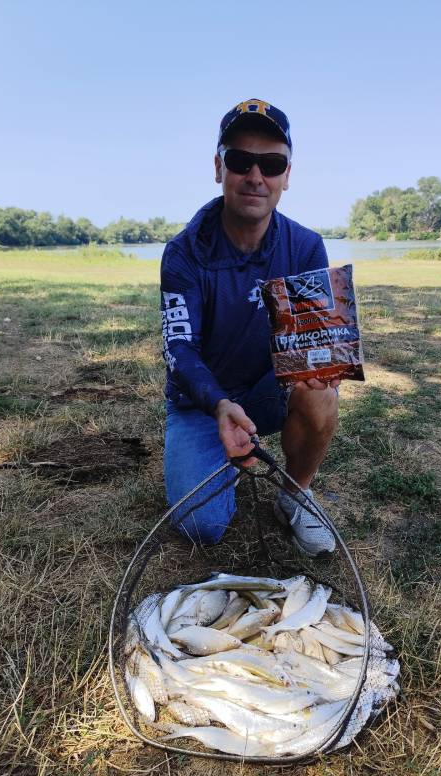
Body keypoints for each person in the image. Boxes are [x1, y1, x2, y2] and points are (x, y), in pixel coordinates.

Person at [160, 98, 339, 556]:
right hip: (202, 402)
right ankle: (222, 457)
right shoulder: (183, 253)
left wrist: (320, 367)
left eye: (272, 163)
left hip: (265, 388)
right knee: (201, 527)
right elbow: (179, 349)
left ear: (286, 176)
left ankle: (295, 494)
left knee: (319, 391)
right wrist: (219, 405)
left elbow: (311, 342)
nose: (255, 176)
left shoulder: (305, 247)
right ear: (219, 167)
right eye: (241, 160)